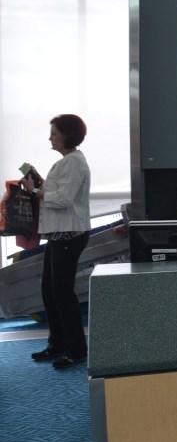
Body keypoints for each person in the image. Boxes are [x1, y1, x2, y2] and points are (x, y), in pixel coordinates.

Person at [22, 114, 92, 369]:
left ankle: (76, 349)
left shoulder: (73, 162)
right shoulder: (67, 162)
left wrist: (34, 191)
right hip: (59, 234)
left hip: (69, 235)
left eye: (54, 134)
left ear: (67, 135)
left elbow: (63, 199)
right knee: (50, 292)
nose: (50, 138)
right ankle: (58, 344)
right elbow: (58, 192)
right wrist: (38, 185)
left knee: (62, 293)